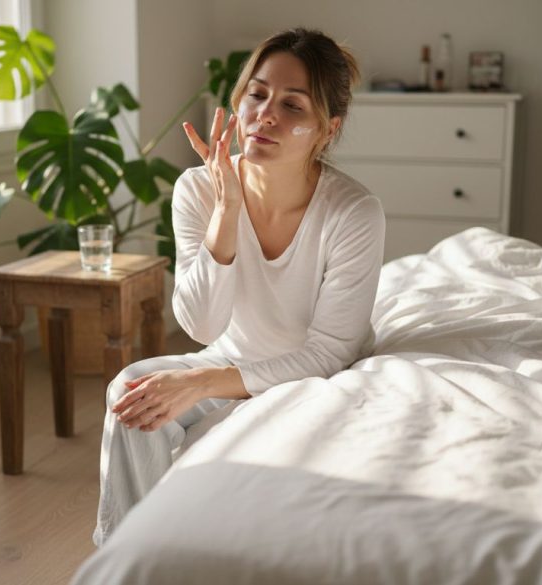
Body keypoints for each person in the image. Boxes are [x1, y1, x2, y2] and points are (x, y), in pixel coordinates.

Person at [93, 27, 386, 547]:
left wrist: (202, 384)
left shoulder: (353, 212)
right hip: (232, 357)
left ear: (327, 129)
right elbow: (202, 325)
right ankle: (130, 555)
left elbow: (328, 353)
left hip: (318, 376)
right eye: (257, 94)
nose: (266, 114)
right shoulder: (198, 189)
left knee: (175, 396)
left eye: (293, 106)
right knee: (130, 394)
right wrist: (226, 212)